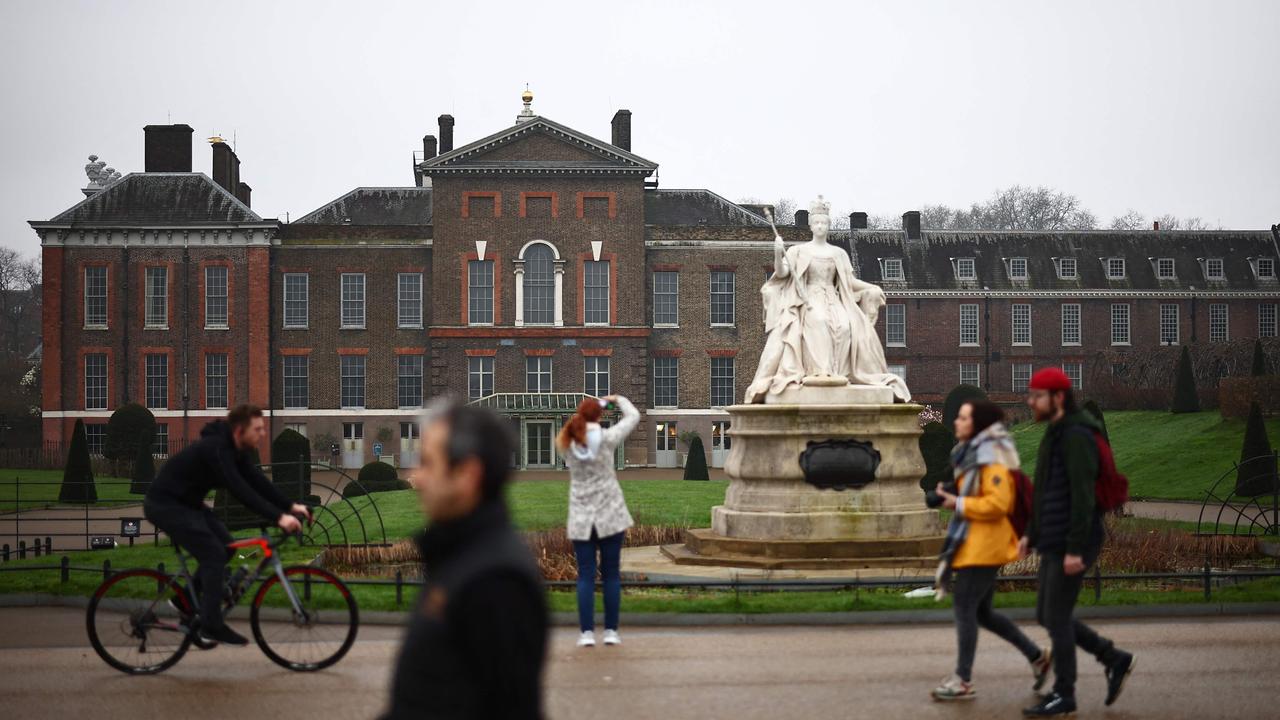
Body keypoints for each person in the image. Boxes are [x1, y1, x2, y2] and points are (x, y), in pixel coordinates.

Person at [382, 403, 547, 720]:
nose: (415, 477)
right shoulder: (460, 555)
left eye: (428, 463)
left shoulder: (497, 583)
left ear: (467, 475)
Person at [144, 404, 310, 646]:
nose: (263, 434)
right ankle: (211, 625)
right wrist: (279, 518)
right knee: (212, 555)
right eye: (258, 429)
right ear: (239, 430)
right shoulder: (217, 450)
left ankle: (185, 602)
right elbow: (239, 489)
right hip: (165, 505)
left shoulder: (234, 450)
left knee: (228, 546)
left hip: (188, 504)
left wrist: (290, 506)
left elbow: (257, 481)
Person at [1021, 368, 1136, 717]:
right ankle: (1114, 658)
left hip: (1075, 538)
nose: (1030, 401)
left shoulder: (1075, 435)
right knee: (1047, 613)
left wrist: (1073, 548)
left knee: (1056, 617)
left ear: (1057, 398)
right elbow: (1047, 490)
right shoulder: (1057, 432)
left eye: (1037, 395)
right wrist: (1031, 534)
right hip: (1055, 537)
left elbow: (1083, 496)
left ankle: (1065, 694)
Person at [931, 399, 1051, 701]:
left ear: (977, 425)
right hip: (974, 542)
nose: (956, 422)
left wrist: (956, 503)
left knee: (964, 607)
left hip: (985, 546)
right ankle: (1037, 656)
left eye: (962, 418)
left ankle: (963, 679)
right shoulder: (971, 455)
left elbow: (998, 504)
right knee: (982, 613)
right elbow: (978, 493)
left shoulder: (992, 459)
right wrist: (951, 495)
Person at [557, 394, 640, 648]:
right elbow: (634, 417)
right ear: (600, 415)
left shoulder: (567, 443)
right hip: (610, 515)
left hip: (582, 517)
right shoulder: (607, 439)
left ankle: (586, 633)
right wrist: (619, 399)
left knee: (585, 576)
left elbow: (575, 431)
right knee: (611, 575)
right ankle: (611, 631)